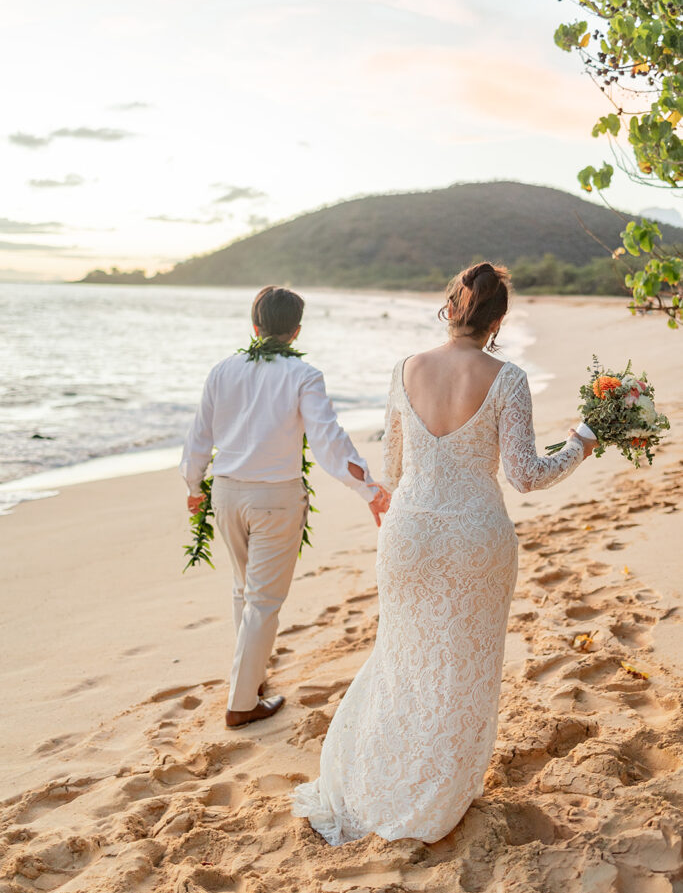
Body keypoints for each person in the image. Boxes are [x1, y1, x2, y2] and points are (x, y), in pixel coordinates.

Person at [292, 262, 597, 845]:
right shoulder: (506, 379)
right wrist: (581, 442)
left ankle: (379, 781)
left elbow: (393, 471)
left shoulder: (405, 369)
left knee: (404, 659)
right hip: (476, 541)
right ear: (499, 320)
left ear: (451, 306)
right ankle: (436, 793)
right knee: (462, 670)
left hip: (409, 535)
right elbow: (526, 477)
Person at [180, 286, 389, 729]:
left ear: (254, 327)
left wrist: (193, 484)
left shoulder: (222, 370)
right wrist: (369, 489)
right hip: (275, 497)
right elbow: (329, 441)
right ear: (295, 332)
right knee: (262, 601)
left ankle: (251, 680)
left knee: (244, 591)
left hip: (227, 493)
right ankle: (241, 703)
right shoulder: (303, 374)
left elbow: (200, 435)